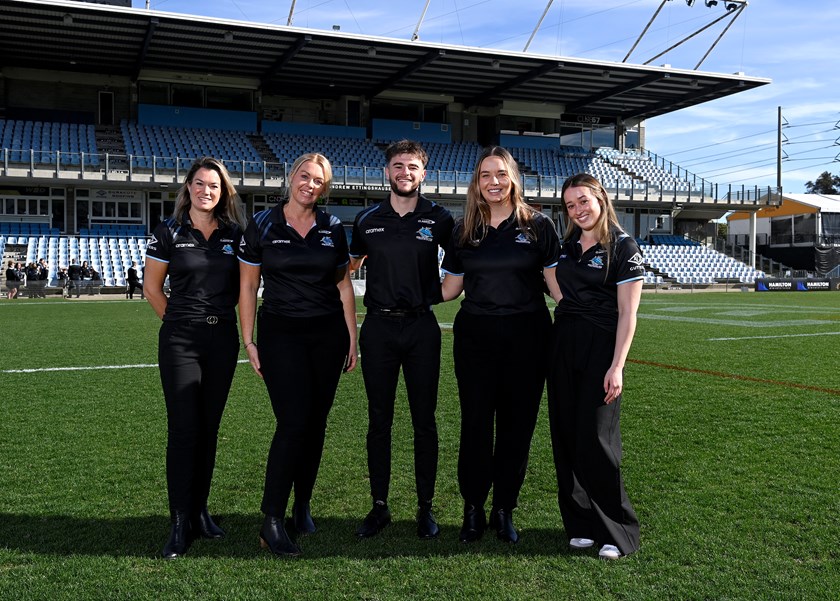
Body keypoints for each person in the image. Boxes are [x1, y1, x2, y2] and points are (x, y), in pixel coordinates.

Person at [440, 146, 562, 544]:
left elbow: (558, 287)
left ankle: (504, 508)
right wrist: (398, 288)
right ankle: (473, 508)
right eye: (486, 175)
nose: (494, 182)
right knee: (476, 425)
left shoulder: (539, 226)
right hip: (476, 338)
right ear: (477, 182)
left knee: (517, 427)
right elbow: (450, 289)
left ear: (513, 178)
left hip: (528, 337)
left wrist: (596, 313)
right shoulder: (463, 230)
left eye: (501, 174)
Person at [238, 152, 357, 557]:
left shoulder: (333, 226)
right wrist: (249, 340)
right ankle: (271, 519)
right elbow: (248, 286)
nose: (310, 184)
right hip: (281, 333)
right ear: (291, 177)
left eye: (319, 180)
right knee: (293, 423)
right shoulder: (263, 224)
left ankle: (301, 505)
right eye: (304, 176)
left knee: (316, 425)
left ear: (326, 188)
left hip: (327, 335)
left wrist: (352, 338)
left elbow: (342, 287)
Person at [348, 140, 454, 540]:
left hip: (422, 329)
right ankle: (379, 506)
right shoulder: (367, 219)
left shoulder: (439, 218)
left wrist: (437, 294)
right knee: (379, 421)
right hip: (377, 329)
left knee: (424, 421)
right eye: (397, 165)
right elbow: (348, 267)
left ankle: (425, 508)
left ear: (423, 173)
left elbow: (461, 264)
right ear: (387, 171)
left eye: (412, 166)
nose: (404, 172)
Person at [143, 157, 246, 560]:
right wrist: (181, 323)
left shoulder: (234, 234)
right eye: (200, 184)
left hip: (222, 338)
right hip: (181, 339)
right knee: (184, 430)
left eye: (214, 186)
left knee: (208, 429)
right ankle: (179, 522)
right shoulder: (168, 231)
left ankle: (200, 511)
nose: (207, 191)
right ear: (188, 188)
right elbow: (153, 289)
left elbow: (246, 286)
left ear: (223, 193)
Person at [547, 173, 645, 560]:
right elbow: (554, 285)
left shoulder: (623, 245)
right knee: (566, 437)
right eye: (571, 205)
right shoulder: (567, 245)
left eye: (583, 201)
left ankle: (618, 532)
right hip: (563, 344)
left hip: (601, 348)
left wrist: (617, 366)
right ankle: (580, 522)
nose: (578, 210)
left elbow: (628, 313)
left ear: (600, 198)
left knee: (598, 440)